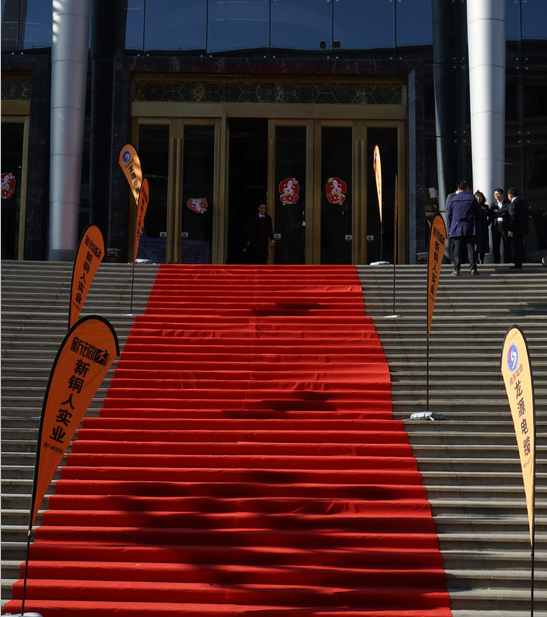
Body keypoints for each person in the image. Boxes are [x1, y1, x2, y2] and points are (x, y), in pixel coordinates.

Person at [447, 180, 482, 276]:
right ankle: (473, 268)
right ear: (466, 188)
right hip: (469, 226)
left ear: (458, 189)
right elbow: (478, 213)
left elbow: (449, 215)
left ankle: (456, 270)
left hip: (456, 226)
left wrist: (449, 229)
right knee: (470, 247)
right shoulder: (471, 198)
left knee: (457, 249)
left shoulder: (453, 199)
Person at [506, 188, 529, 270]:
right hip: (523, 229)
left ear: (510, 196)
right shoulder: (524, 202)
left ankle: (518, 263)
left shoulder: (513, 204)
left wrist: (510, 229)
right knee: (520, 245)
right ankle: (523, 260)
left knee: (516, 247)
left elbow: (512, 217)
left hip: (516, 229)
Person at [489, 188, 510, 264]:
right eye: (495, 194)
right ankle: (496, 260)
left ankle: (507, 259)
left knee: (507, 243)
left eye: (498, 194)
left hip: (504, 225)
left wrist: (498, 211)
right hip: (496, 225)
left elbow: (508, 211)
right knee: (496, 244)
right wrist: (501, 213)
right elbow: (491, 214)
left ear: (502, 194)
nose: (497, 196)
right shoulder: (493, 204)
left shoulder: (507, 203)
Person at [474, 190, 490, 264]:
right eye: (477, 197)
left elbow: (491, 216)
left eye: (480, 197)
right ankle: (475, 260)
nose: (479, 198)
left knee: (483, 244)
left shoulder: (485, 207)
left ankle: (481, 260)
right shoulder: (472, 206)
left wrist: (487, 223)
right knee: (475, 245)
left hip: (483, 228)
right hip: (475, 228)